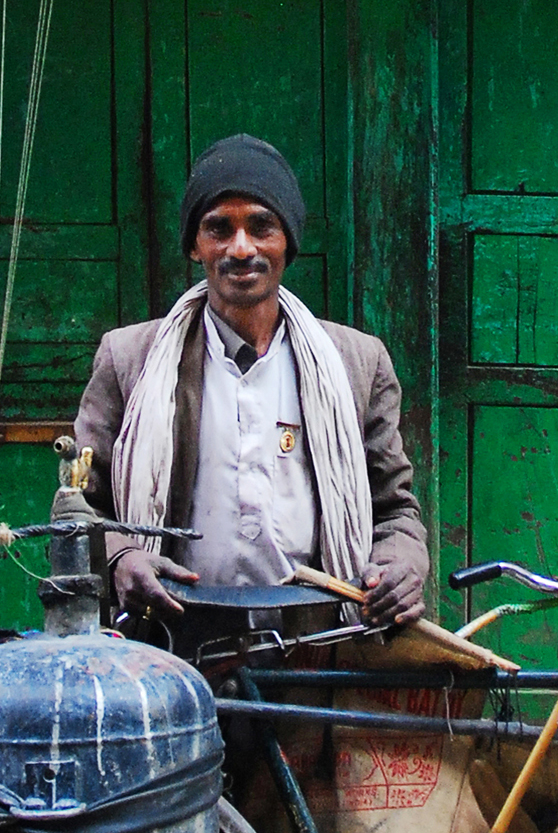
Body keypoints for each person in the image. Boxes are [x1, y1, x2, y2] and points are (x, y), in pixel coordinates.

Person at [73, 133, 429, 632]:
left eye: (261, 226)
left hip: (317, 647)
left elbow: (393, 508)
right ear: (195, 247)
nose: (241, 248)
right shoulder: (131, 359)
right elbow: (77, 508)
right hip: (171, 645)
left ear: (288, 241)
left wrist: (402, 565)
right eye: (219, 228)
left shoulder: (356, 364)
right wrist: (120, 558)